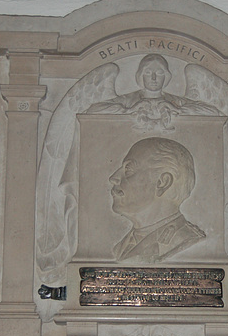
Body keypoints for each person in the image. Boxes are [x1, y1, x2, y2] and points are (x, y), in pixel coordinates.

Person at [109, 137, 205, 262]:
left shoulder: (188, 240)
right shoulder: (119, 248)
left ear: (163, 182)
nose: (113, 178)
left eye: (128, 170)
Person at [86, 54, 220, 130]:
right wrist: (127, 110)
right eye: (148, 73)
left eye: (159, 73)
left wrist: (178, 110)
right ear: (140, 76)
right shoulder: (128, 100)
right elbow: (93, 110)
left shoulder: (176, 101)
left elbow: (213, 112)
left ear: (166, 77)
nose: (154, 78)